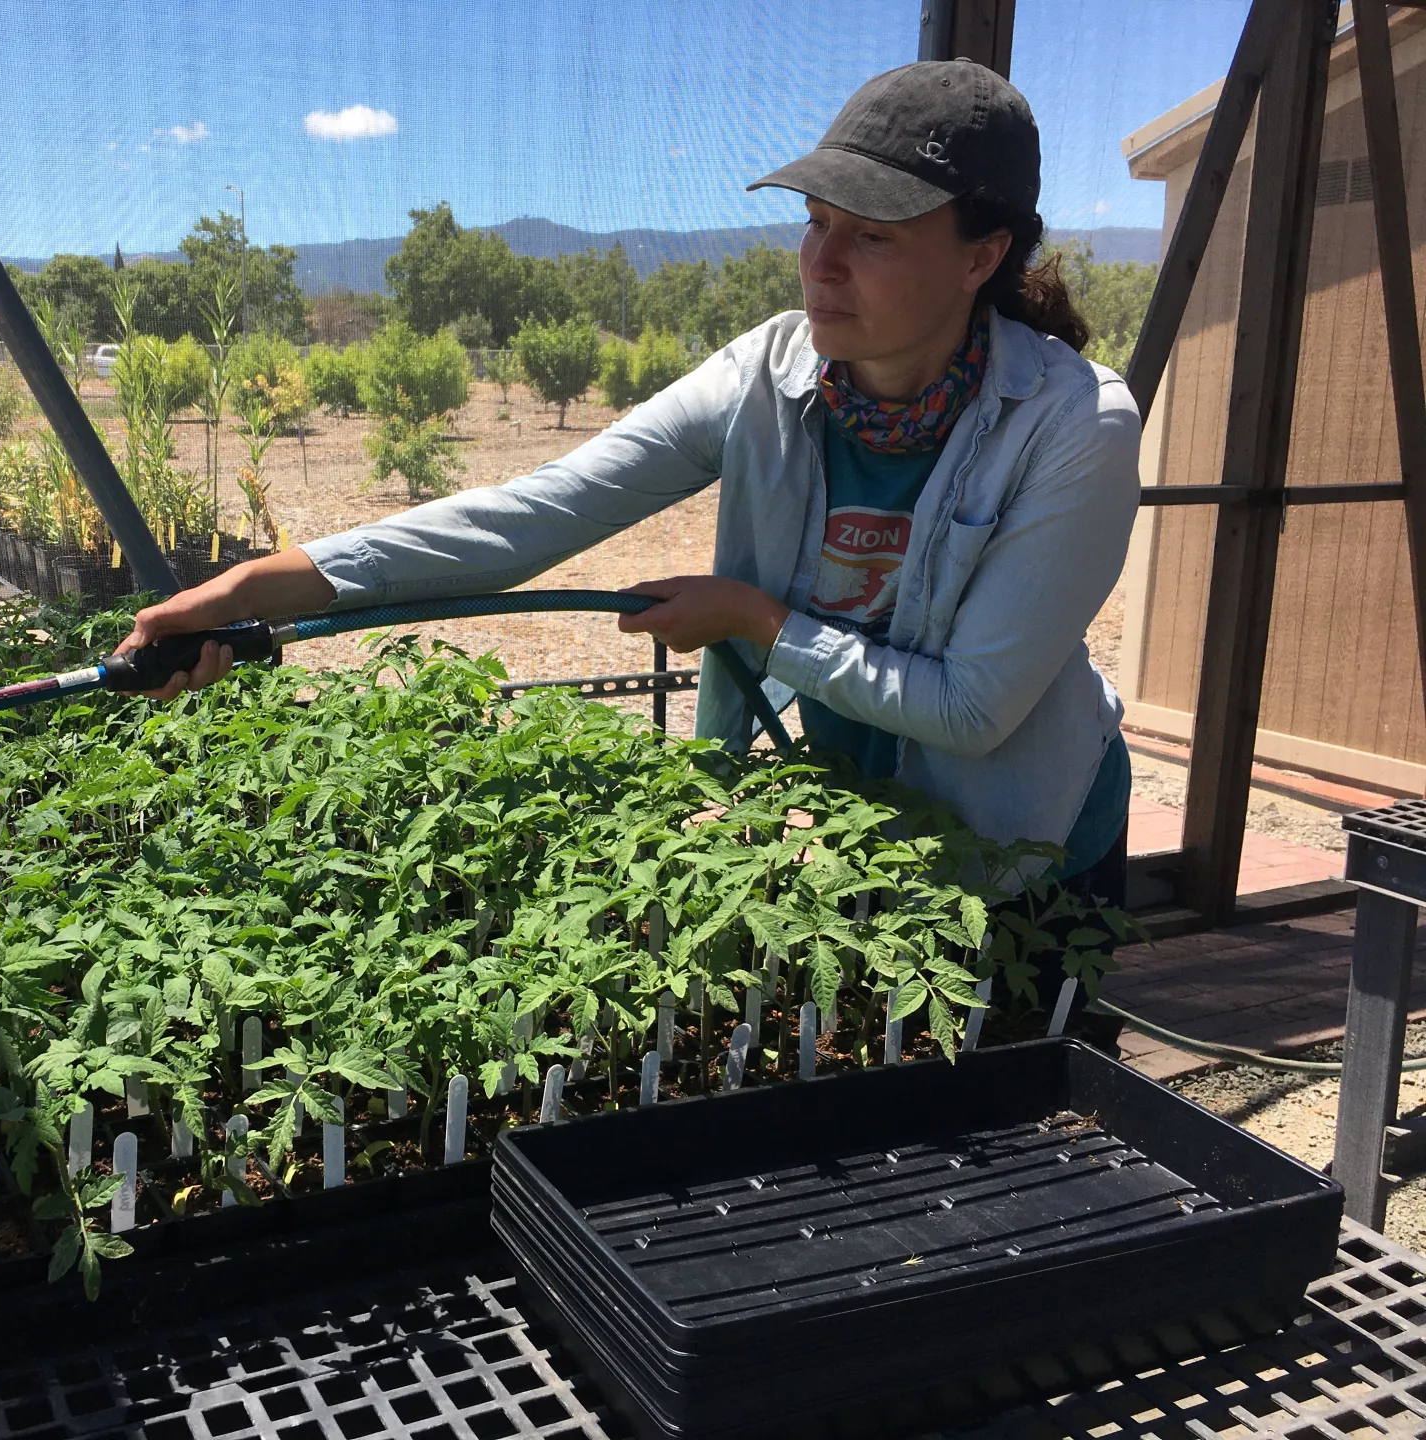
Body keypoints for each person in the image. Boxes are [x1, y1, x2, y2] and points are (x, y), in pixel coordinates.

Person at [120, 60, 1140, 1031]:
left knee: (1013, 1129)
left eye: (872, 238)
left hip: (1011, 852)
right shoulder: (766, 376)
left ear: (982, 254)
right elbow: (531, 515)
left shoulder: (1071, 425)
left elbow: (971, 709)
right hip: (823, 829)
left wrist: (750, 620)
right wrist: (249, 588)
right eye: (815, 223)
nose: (821, 266)